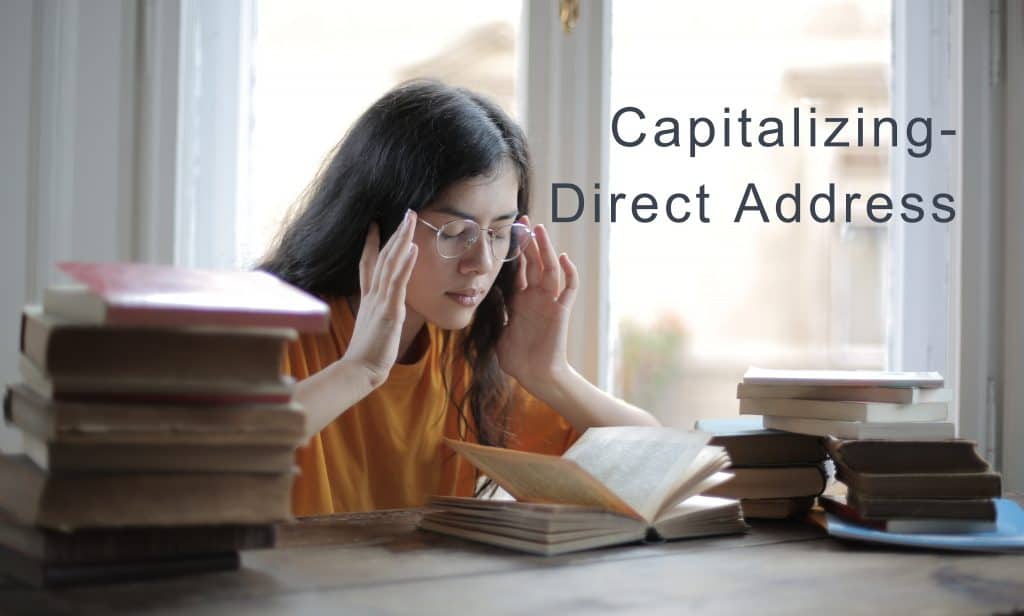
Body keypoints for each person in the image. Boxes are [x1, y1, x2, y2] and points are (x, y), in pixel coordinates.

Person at [260, 80, 659, 515]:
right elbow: (205, 458)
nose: (482, 262)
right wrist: (361, 370)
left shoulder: (464, 351)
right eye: (454, 233)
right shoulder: (273, 330)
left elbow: (654, 463)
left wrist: (548, 373)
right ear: (377, 226)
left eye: (500, 232)